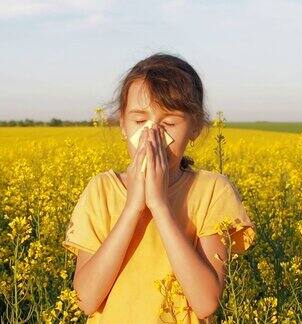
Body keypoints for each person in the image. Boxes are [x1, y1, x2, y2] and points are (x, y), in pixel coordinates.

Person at [61, 52, 256, 323]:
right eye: (140, 122)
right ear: (122, 125)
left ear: (195, 127)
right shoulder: (101, 190)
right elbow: (85, 300)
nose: (152, 136)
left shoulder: (213, 190)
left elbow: (206, 303)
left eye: (169, 123)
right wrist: (132, 208)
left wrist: (159, 206)